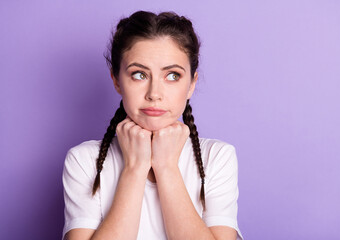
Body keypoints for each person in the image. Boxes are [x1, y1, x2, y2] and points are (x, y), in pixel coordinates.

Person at [62, 10, 243, 240]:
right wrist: (134, 168)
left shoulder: (216, 157)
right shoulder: (84, 160)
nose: (154, 94)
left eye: (172, 76)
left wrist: (166, 166)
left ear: (191, 84)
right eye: (139, 75)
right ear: (117, 80)